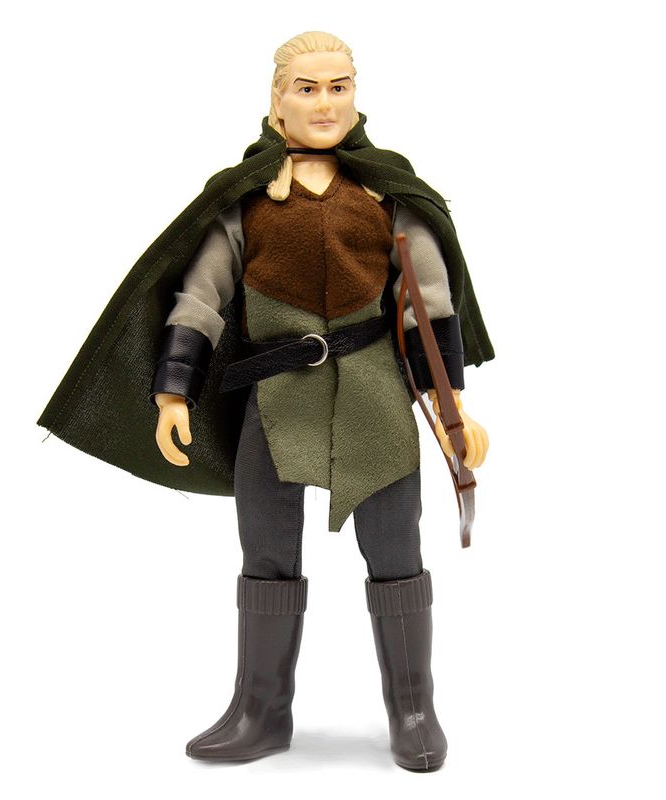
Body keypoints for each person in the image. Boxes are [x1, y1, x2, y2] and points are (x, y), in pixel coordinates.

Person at [38, 31, 493, 771]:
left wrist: (452, 411)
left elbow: (427, 304)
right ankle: (261, 709)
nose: (325, 103)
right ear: (278, 97)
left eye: (339, 86)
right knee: (267, 553)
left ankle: (413, 707)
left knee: (396, 550)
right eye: (307, 88)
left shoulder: (389, 191)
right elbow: (200, 297)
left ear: (356, 93)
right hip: (276, 397)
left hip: (375, 393)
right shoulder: (246, 197)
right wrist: (173, 391)